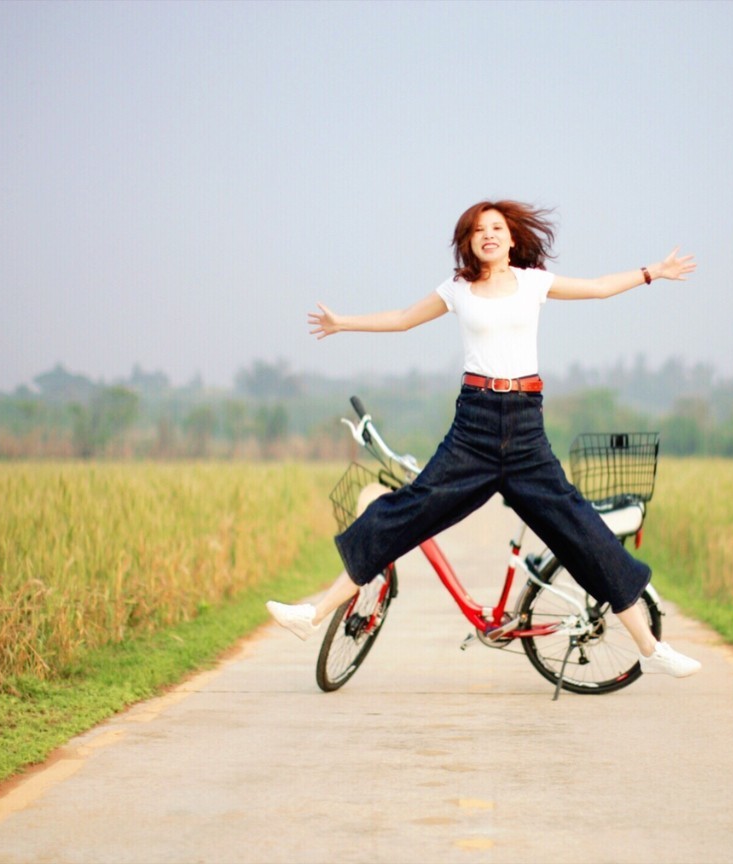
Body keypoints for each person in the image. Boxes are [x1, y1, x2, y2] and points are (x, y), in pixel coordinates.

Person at [267, 200, 701, 677]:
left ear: (512, 238)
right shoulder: (458, 289)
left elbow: (597, 289)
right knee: (405, 509)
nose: (488, 235)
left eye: (496, 228)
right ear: (469, 242)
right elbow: (403, 318)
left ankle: (650, 647)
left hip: (525, 429)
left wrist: (653, 271)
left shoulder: (534, 281)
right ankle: (313, 615)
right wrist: (342, 322)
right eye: (478, 230)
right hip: (473, 426)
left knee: (582, 530)